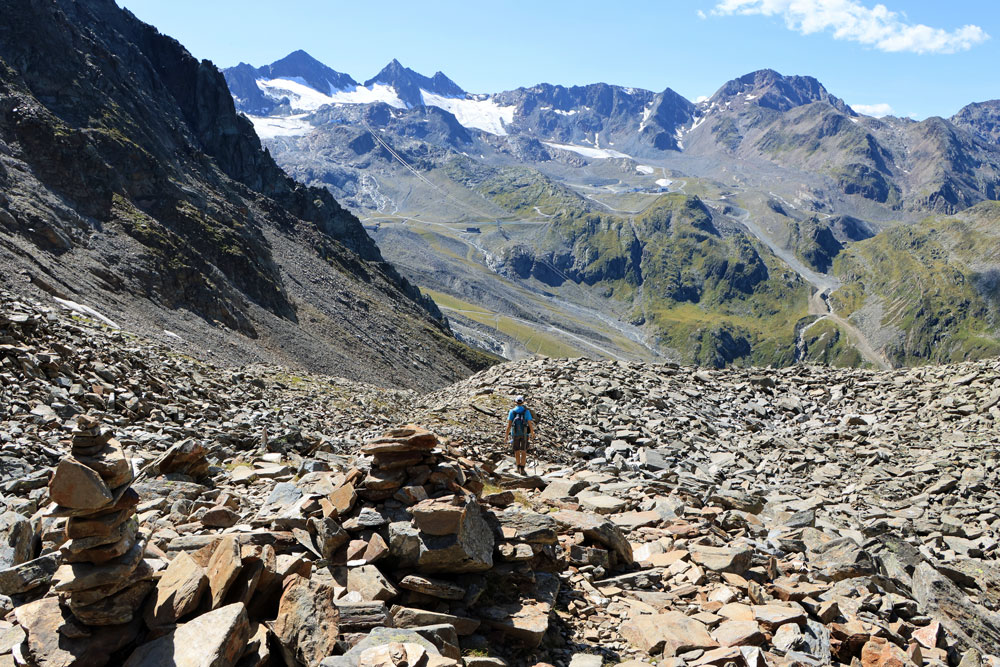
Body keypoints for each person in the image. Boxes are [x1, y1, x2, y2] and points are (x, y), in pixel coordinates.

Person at [505, 395, 534, 475]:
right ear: (523, 402)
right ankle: (522, 468)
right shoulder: (526, 411)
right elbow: (530, 424)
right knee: (524, 451)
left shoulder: (512, 412)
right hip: (525, 434)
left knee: (516, 450)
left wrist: (506, 435)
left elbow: (509, 425)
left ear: (515, 402)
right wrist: (532, 433)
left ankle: (518, 467)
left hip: (515, 434)